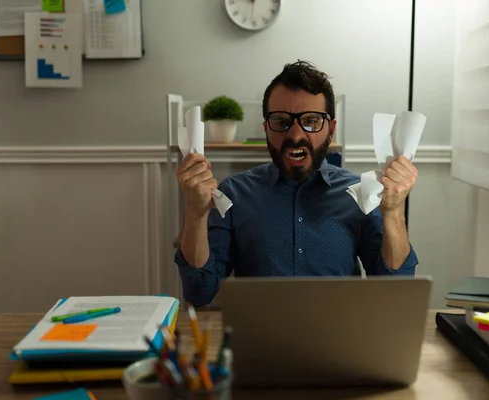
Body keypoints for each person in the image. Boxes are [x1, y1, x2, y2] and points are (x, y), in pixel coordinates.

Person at [175, 60, 419, 307]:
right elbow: (199, 292)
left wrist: (394, 211)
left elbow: (394, 290)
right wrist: (196, 213)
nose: (295, 135)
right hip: (259, 341)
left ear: (331, 129)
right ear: (266, 129)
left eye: (311, 121)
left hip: (339, 341)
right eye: (281, 121)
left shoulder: (359, 195)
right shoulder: (234, 194)